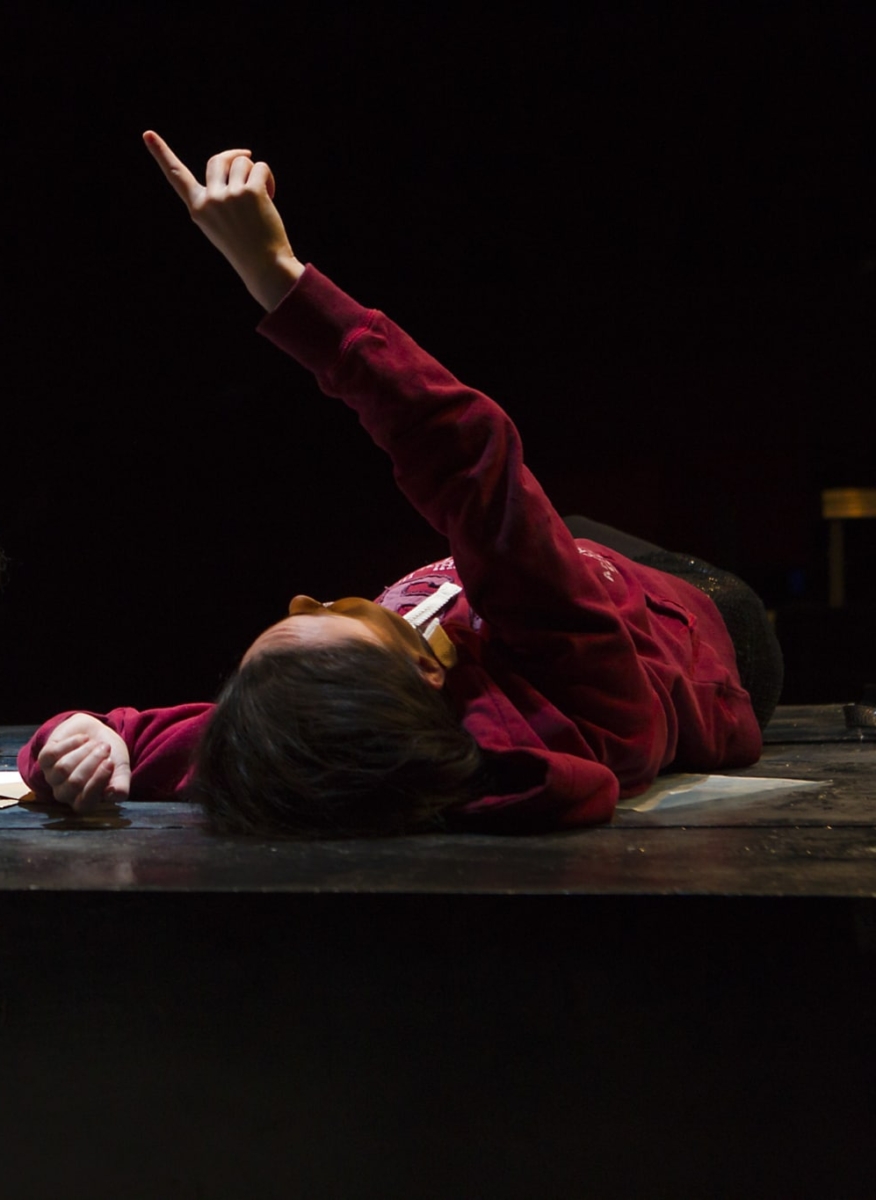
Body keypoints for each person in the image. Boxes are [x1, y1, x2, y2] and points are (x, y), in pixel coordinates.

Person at [17, 132, 782, 835]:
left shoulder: (313, 745)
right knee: (523, 529)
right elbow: (464, 447)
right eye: (334, 615)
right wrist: (278, 279)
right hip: (700, 615)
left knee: (532, 531)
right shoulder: (573, 685)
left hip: (558, 562)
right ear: (423, 669)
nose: (308, 599)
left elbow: (147, 735)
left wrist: (78, 739)